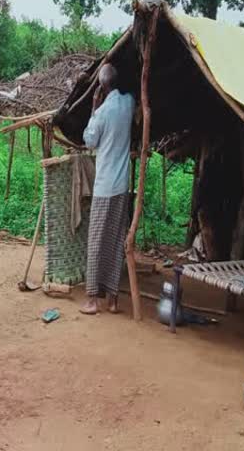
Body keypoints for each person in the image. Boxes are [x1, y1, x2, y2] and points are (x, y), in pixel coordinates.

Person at [79, 64, 135, 315]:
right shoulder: (129, 102)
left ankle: (92, 300)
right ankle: (113, 300)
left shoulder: (101, 113)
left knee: (96, 242)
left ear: (101, 87)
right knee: (115, 240)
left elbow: (89, 140)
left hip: (104, 186)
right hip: (122, 184)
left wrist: (93, 107)